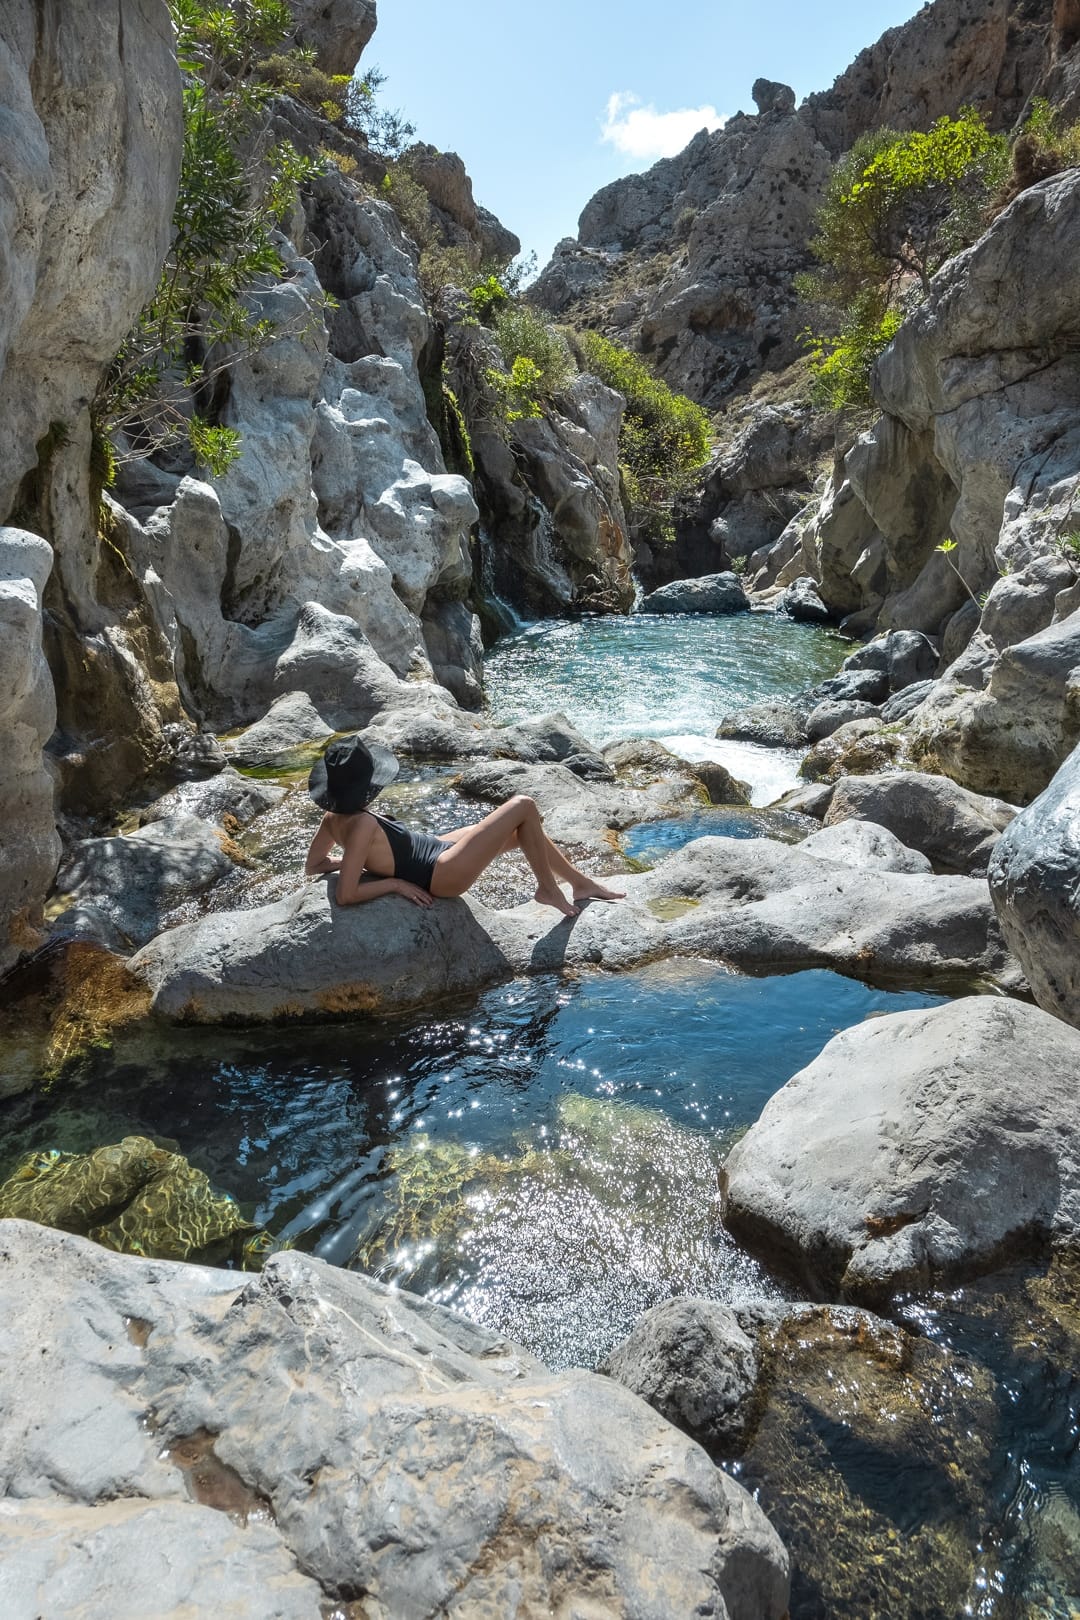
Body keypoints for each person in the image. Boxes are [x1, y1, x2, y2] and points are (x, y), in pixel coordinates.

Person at [304, 734, 624, 918]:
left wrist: (353, 862)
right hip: (440, 874)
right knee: (523, 805)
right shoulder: (359, 825)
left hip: (433, 847)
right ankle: (548, 889)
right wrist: (394, 885)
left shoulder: (332, 819)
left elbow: (314, 865)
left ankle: (579, 883)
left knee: (521, 830)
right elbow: (346, 895)